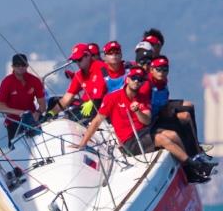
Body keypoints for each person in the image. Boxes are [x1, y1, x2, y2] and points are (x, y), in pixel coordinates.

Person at [76, 67, 210, 183]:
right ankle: (195, 165)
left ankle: (189, 171)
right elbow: (97, 121)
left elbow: (146, 120)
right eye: (134, 78)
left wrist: (138, 111)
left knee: (173, 135)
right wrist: (83, 143)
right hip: (129, 141)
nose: (136, 81)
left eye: (140, 79)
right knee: (162, 139)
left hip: (142, 134)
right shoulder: (112, 98)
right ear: (127, 80)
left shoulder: (142, 98)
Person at [144, 55, 213, 166]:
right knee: (174, 134)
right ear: (151, 70)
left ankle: (196, 150)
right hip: (147, 125)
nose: (162, 72)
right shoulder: (146, 86)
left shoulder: (163, 83)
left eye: (165, 69)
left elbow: (164, 107)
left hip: (158, 117)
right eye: (158, 69)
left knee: (185, 116)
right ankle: (190, 162)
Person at [0, 53, 46, 147]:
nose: (20, 67)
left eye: (23, 65)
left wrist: (38, 112)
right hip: (14, 122)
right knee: (16, 149)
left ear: (27, 65)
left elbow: (43, 104)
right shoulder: (7, 82)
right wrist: (21, 113)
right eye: (17, 65)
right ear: (12, 66)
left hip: (31, 121)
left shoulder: (35, 81)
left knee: (39, 146)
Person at [49, 43, 107, 119]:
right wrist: (51, 113)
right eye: (75, 60)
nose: (78, 63)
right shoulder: (79, 74)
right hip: (85, 105)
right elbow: (67, 98)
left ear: (88, 56)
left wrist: (92, 102)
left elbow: (104, 92)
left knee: (76, 113)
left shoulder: (101, 67)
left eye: (79, 59)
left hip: (101, 105)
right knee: (53, 101)